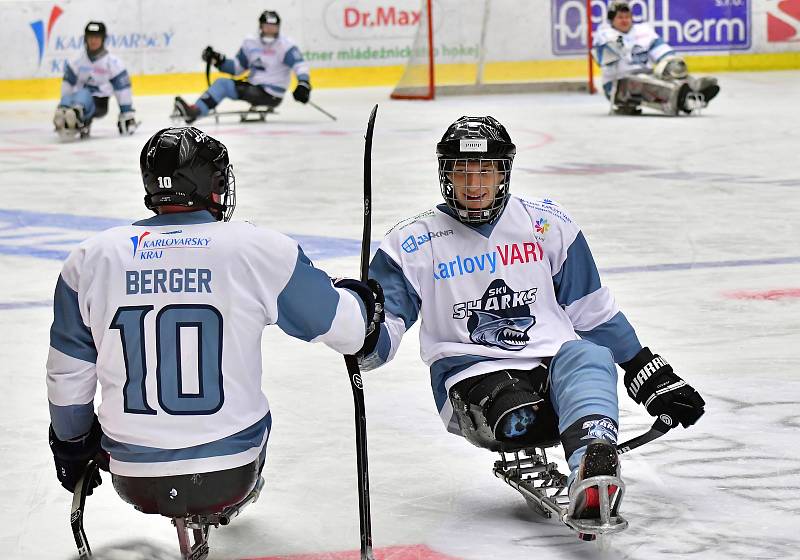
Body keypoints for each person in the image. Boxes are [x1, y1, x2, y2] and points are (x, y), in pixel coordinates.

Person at [356, 116, 705, 531]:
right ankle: (578, 435)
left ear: (504, 172)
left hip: (548, 364)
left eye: (485, 170)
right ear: (445, 173)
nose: (473, 183)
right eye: (462, 171)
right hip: (471, 374)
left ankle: (592, 467)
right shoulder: (412, 242)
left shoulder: (547, 225)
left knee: (589, 356)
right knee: (519, 414)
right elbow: (385, 330)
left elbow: (591, 310)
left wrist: (647, 372)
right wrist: (363, 334)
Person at [46, 127, 382, 533]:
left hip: (133, 476)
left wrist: (71, 445)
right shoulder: (256, 247)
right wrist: (361, 300)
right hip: (229, 470)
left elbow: (67, 376)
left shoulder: (89, 259)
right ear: (213, 185)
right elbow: (349, 330)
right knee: (254, 410)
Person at [173, 10, 311, 123]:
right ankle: (195, 110)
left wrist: (303, 84)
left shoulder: (285, 45)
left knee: (222, 85)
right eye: (267, 26)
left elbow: (300, 65)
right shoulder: (251, 43)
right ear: (261, 26)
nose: (270, 30)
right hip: (255, 88)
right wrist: (218, 61)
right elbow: (237, 68)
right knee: (224, 84)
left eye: (274, 27)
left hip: (272, 94)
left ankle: (195, 111)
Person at [592, 1, 720, 115]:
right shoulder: (604, 34)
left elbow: (662, 51)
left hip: (647, 75)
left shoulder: (643, 31)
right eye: (620, 17)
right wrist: (613, 45)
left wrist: (672, 66)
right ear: (611, 20)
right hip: (617, 85)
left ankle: (694, 87)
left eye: (627, 17)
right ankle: (681, 97)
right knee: (641, 81)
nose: (625, 20)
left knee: (670, 70)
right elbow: (603, 58)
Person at [53, 21, 138, 138]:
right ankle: (66, 114)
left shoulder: (113, 63)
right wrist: (64, 103)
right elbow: (67, 85)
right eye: (90, 37)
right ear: (85, 39)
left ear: (103, 39)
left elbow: (122, 90)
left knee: (83, 94)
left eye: (97, 37)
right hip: (77, 99)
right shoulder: (76, 62)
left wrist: (126, 112)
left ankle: (75, 115)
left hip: (99, 103)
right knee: (72, 98)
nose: (93, 41)